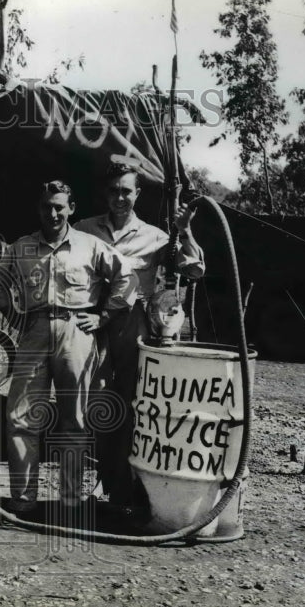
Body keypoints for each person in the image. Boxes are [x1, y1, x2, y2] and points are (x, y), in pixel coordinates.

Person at [0, 180, 136, 516]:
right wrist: (10, 312)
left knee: (75, 419)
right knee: (20, 417)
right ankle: (22, 501)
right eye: (46, 207)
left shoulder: (90, 246)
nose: (52, 213)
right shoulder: (22, 247)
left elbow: (127, 278)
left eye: (59, 207)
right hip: (34, 330)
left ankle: (69, 502)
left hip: (77, 332)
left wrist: (104, 316)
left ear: (71, 208)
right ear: (39, 209)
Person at [74, 162, 205, 508]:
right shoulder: (84, 229)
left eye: (126, 191)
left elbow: (195, 269)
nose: (120, 197)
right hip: (91, 323)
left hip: (133, 325)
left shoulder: (157, 236)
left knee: (134, 404)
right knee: (99, 404)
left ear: (138, 194)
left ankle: (126, 489)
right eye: (114, 190)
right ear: (106, 192)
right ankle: (107, 480)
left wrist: (185, 230)